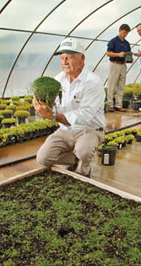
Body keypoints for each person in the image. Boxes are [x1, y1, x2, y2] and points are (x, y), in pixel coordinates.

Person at [33, 37, 106, 177]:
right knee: (43, 157)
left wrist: (53, 116)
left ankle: (84, 166)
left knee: (84, 150)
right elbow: (56, 108)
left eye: (69, 58)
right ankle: (75, 159)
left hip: (89, 130)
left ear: (82, 58)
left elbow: (84, 116)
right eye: (62, 58)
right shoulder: (59, 79)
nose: (64, 62)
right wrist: (45, 107)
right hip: (65, 130)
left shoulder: (93, 82)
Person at [107, 24, 132, 112]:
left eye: (127, 33)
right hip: (114, 64)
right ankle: (110, 104)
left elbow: (128, 53)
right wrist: (118, 54)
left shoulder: (127, 43)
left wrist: (130, 59)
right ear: (120, 30)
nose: (125, 34)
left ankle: (118, 104)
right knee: (112, 84)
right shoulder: (113, 41)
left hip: (123, 65)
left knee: (121, 85)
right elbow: (108, 53)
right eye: (124, 32)